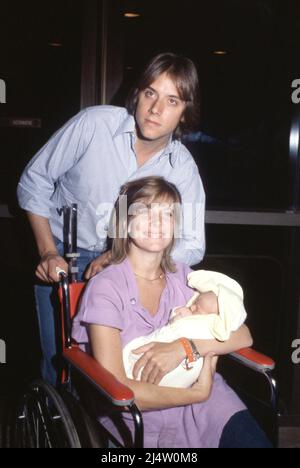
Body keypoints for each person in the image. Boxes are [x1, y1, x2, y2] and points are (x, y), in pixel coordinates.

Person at [17, 53, 206, 385]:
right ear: (137, 94)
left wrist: (125, 260)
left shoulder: (183, 169)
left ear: (185, 112)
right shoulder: (93, 124)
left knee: (108, 378)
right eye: (150, 93)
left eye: (172, 100)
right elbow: (34, 181)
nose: (156, 109)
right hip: (62, 255)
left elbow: (192, 245)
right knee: (59, 369)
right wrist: (47, 252)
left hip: (128, 274)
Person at [72, 176, 272, 448]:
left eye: (167, 214)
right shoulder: (105, 288)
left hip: (208, 405)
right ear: (123, 222)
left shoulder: (184, 278)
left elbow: (243, 335)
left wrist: (185, 348)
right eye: (144, 211)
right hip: (140, 415)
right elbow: (120, 392)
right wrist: (196, 394)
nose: (157, 223)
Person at [123, 268, 247, 388]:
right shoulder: (111, 283)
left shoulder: (181, 274)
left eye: (198, 309)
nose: (192, 308)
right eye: (195, 303)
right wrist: (200, 393)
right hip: (151, 392)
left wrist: (184, 348)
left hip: (205, 387)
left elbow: (245, 336)